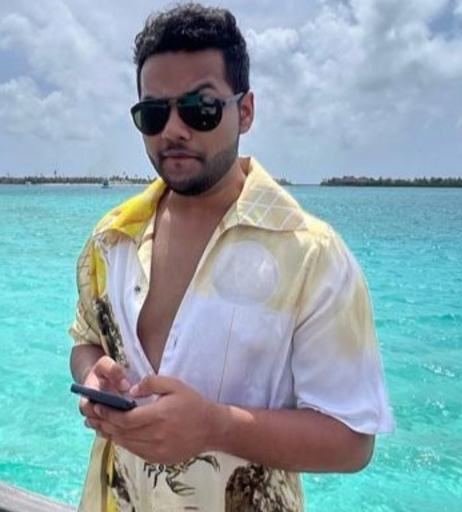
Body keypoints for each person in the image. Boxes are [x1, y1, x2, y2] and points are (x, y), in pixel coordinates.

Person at [68, 4, 394, 511]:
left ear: (245, 111)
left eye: (199, 108)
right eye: (154, 113)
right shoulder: (112, 239)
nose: (173, 130)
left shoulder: (311, 255)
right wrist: (93, 376)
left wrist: (215, 427)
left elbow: (353, 442)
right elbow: (87, 340)